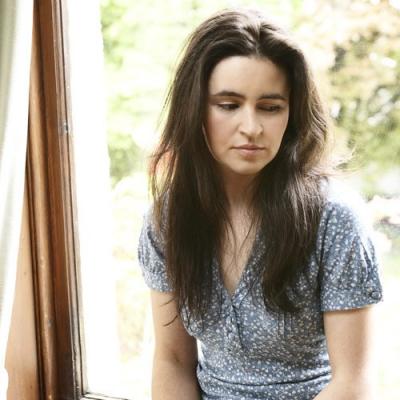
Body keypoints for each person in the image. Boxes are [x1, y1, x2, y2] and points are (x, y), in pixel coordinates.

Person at [138, 7, 383, 400]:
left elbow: (353, 383)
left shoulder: (334, 218)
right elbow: (173, 360)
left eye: (270, 107)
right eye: (228, 105)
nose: (251, 128)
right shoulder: (168, 220)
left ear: (292, 114)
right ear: (194, 107)